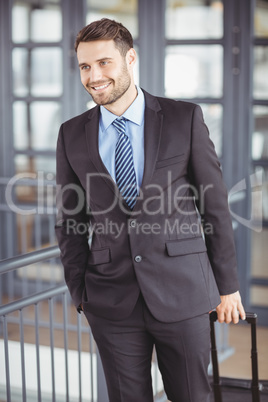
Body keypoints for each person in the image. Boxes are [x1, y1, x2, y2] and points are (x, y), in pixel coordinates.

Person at [55, 18, 245, 402]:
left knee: (193, 396)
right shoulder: (71, 132)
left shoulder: (183, 118)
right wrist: (81, 292)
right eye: (85, 67)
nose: (94, 76)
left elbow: (214, 206)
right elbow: (69, 219)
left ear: (130, 58)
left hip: (184, 291)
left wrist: (228, 286)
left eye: (104, 63)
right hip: (110, 300)